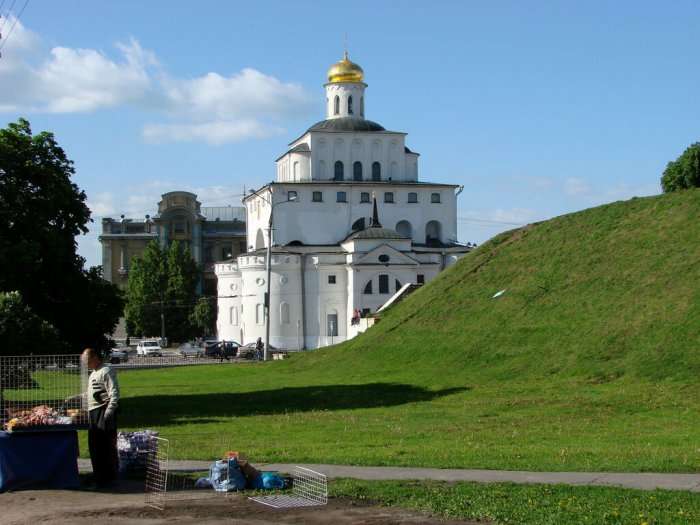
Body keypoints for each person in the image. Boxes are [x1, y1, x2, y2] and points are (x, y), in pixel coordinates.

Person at [82, 347, 120, 489]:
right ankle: (99, 475)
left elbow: (114, 393)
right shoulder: (94, 373)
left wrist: (109, 412)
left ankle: (106, 479)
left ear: (95, 357)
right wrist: (75, 398)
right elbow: (91, 394)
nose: (86, 363)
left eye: (87, 360)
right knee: (95, 446)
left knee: (104, 446)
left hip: (102, 412)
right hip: (93, 413)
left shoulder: (106, 370)